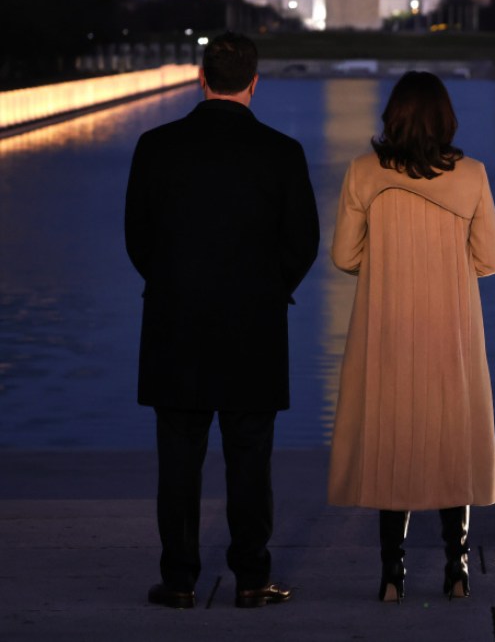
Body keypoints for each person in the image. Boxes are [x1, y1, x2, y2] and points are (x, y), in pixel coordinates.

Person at [125, 32, 320, 609]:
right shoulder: (282, 152)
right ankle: (253, 578)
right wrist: (266, 290)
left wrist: (173, 284)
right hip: (253, 329)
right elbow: (303, 243)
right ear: (254, 83)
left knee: (178, 462)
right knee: (250, 462)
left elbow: (137, 238)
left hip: (175, 325)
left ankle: (179, 579)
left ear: (200, 79)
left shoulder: (155, 146)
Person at [327, 71, 495, 603]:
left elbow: (343, 256)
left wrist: (386, 265)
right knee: (452, 440)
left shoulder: (362, 173)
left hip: (386, 326)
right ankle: (457, 569)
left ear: (392, 117)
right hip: (450, 325)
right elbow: (491, 259)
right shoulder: (472, 175)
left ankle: (391, 574)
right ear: (446, 119)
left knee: (391, 438)